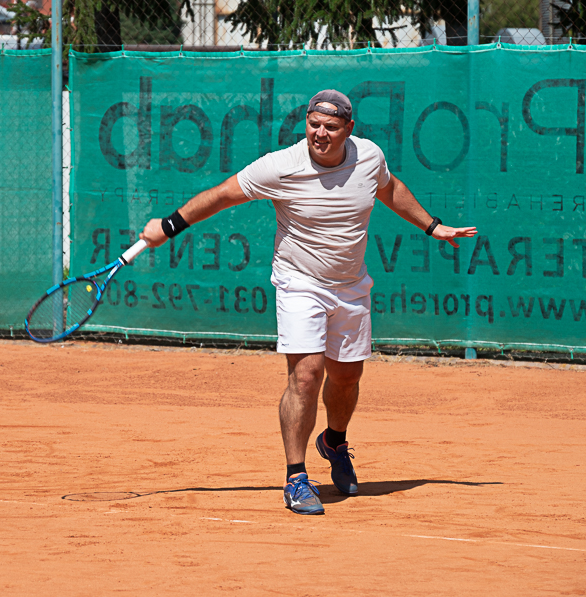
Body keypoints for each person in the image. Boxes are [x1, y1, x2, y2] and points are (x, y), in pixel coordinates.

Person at [140, 89, 478, 515]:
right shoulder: (281, 166)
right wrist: (169, 226)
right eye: (313, 124)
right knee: (306, 375)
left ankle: (334, 442)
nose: (320, 133)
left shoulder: (369, 157)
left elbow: (390, 189)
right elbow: (223, 194)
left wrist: (432, 226)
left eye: (331, 127)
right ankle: (296, 477)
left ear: (348, 129)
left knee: (347, 377)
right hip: (299, 283)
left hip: (350, 286)